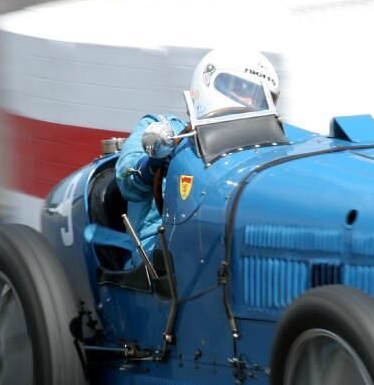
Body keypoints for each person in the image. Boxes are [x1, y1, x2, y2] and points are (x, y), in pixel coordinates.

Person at [114, 49, 280, 264]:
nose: (249, 99)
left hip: (221, 237)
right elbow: (126, 182)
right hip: (157, 247)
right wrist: (154, 161)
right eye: (241, 89)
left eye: (257, 95)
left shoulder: (257, 148)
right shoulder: (164, 128)